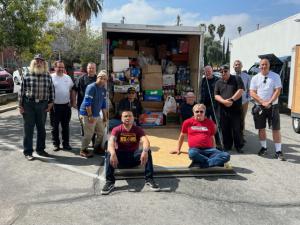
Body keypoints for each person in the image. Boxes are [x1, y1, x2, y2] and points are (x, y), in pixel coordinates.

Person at [101, 110, 160, 195]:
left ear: (133, 118)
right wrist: (113, 153)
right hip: (120, 159)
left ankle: (149, 179)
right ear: (121, 119)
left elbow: (145, 140)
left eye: (130, 116)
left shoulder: (138, 129)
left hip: (134, 158)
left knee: (148, 151)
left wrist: (145, 151)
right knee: (109, 152)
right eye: (125, 116)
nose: (128, 118)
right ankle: (110, 182)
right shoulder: (117, 129)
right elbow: (111, 142)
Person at [171, 104, 230, 168]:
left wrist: (214, 148)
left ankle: (203, 164)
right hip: (195, 150)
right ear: (193, 112)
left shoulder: (210, 122)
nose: (199, 113)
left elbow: (212, 137)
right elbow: (182, 136)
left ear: (205, 112)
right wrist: (178, 149)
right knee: (192, 154)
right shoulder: (187, 122)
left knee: (226, 155)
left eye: (201, 111)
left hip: (209, 149)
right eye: (197, 111)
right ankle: (212, 162)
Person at [19, 54, 55, 160]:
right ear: (33, 62)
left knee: (41, 129)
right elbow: (21, 91)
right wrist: (20, 105)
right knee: (28, 129)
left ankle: (40, 149)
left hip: (42, 105)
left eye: (41, 61)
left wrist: (51, 103)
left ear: (44, 63)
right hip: (28, 104)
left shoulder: (47, 75)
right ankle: (28, 152)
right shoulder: (27, 74)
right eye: (37, 61)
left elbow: (51, 90)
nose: (39, 63)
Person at [250, 58, 285, 160]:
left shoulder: (275, 76)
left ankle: (278, 152)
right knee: (261, 128)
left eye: (266, 64)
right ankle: (263, 148)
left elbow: (277, 90)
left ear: (269, 66)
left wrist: (269, 102)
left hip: (273, 106)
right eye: (262, 65)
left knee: (276, 129)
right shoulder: (255, 78)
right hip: (260, 106)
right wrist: (262, 102)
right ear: (259, 66)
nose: (264, 66)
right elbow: (252, 92)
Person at [214, 65, 245, 153]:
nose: (223, 73)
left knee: (237, 128)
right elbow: (216, 95)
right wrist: (224, 101)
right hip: (223, 110)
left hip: (235, 109)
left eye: (225, 71)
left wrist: (231, 100)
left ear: (229, 71)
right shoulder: (218, 82)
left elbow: (240, 90)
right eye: (221, 72)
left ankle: (239, 146)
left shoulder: (237, 78)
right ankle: (227, 146)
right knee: (225, 128)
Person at [79, 70, 108, 158]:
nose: (102, 80)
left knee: (101, 132)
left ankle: (97, 148)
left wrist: (105, 117)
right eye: (100, 78)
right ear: (97, 77)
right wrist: (90, 116)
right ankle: (83, 150)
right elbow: (87, 103)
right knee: (89, 134)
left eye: (104, 79)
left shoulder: (103, 89)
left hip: (97, 114)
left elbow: (103, 104)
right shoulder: (91, 87)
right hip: (87, 114)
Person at [50, 60, 74, 151]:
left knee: (66, 126)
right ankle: (56, 144)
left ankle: (66, 144)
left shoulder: (67, 78)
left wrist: (72, 102)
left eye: (62, 67)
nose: (60, 69)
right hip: (54, 106)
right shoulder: (50, 77)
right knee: (54, 127)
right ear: (55, 67)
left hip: (66, 106)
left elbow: (71, 90)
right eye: (59, 67)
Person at [73, 62, 97, 146]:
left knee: (93, 124)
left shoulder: (98, 79)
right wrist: (73, 102)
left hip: (94, 106)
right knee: (83, 125)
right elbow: (74, 90)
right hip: (82, 106)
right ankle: (85, 145)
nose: (91, 70)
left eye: (92, 68)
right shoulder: (81, 78)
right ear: (87, 69)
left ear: (95, 69)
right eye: (89, 68)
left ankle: (94, 142)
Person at [200, 65, 221, 147]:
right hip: (205, 105)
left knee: (216, 123)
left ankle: (218, 141)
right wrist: (201, 104)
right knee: (204, 123)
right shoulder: (203, 80)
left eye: (209, 71)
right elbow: (202, 93)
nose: (207, 73)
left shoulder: (217, 80)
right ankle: (205, 139)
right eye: (206, 71)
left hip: (215, 105)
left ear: (212, 71)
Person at [232, 60, 251, 143]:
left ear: (241, 66)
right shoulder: (231, 75)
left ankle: (241, 136)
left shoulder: (246, 76)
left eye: (239, 64)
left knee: (242, 119)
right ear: (233, 66)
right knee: (232, 118)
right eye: (236, 65)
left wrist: (248, 99)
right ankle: (232, 136)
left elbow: (249, 89)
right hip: (233, 100)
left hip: (244, 101)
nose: (237, 66)